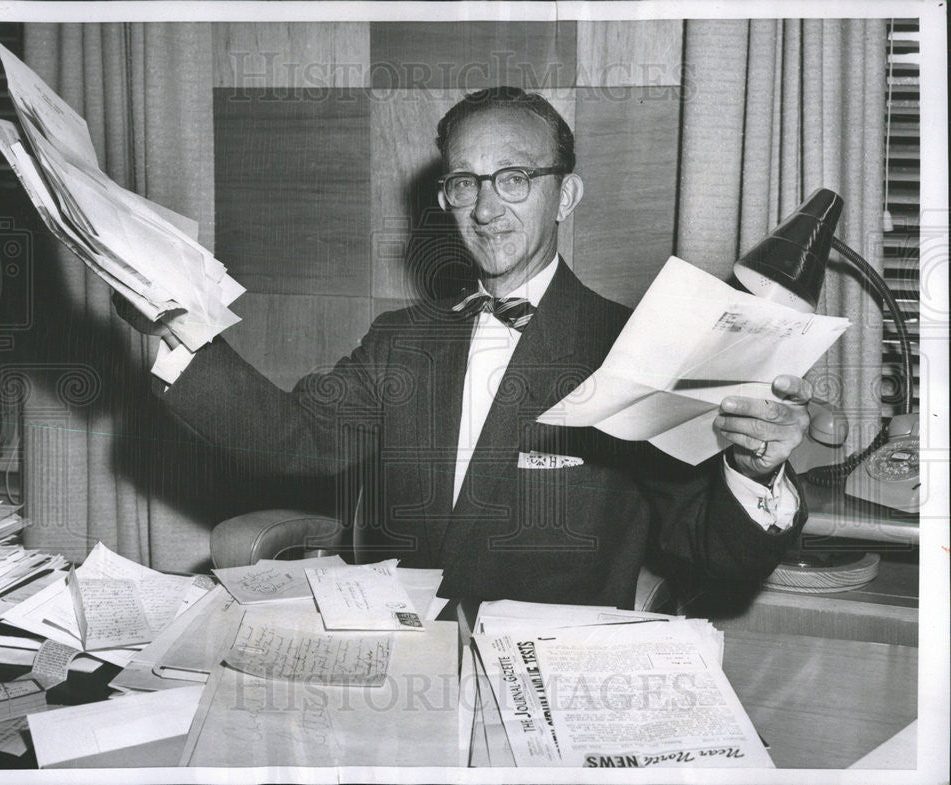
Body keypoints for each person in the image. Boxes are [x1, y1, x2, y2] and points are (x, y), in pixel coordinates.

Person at [121, 86, 812, 607]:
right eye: (463, 183)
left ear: (565, 195)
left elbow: (712, 556)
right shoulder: (402, 340)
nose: (485, 209)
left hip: (542, 677)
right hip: (400, 653)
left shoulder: (635, 345)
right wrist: (176, 325)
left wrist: (758, 470)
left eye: (513, 179)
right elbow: (288, 438)